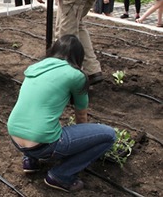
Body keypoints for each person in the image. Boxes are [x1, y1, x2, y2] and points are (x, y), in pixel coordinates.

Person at [7, 35, 115, 193]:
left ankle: (30, 161)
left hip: (14, 135)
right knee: (109, 135)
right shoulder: (76, 75)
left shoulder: (37, 67)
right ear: (79, 57)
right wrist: (83, 140)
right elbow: (81, 117)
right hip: (42, 143)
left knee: (39, 117)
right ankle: (61, 175)